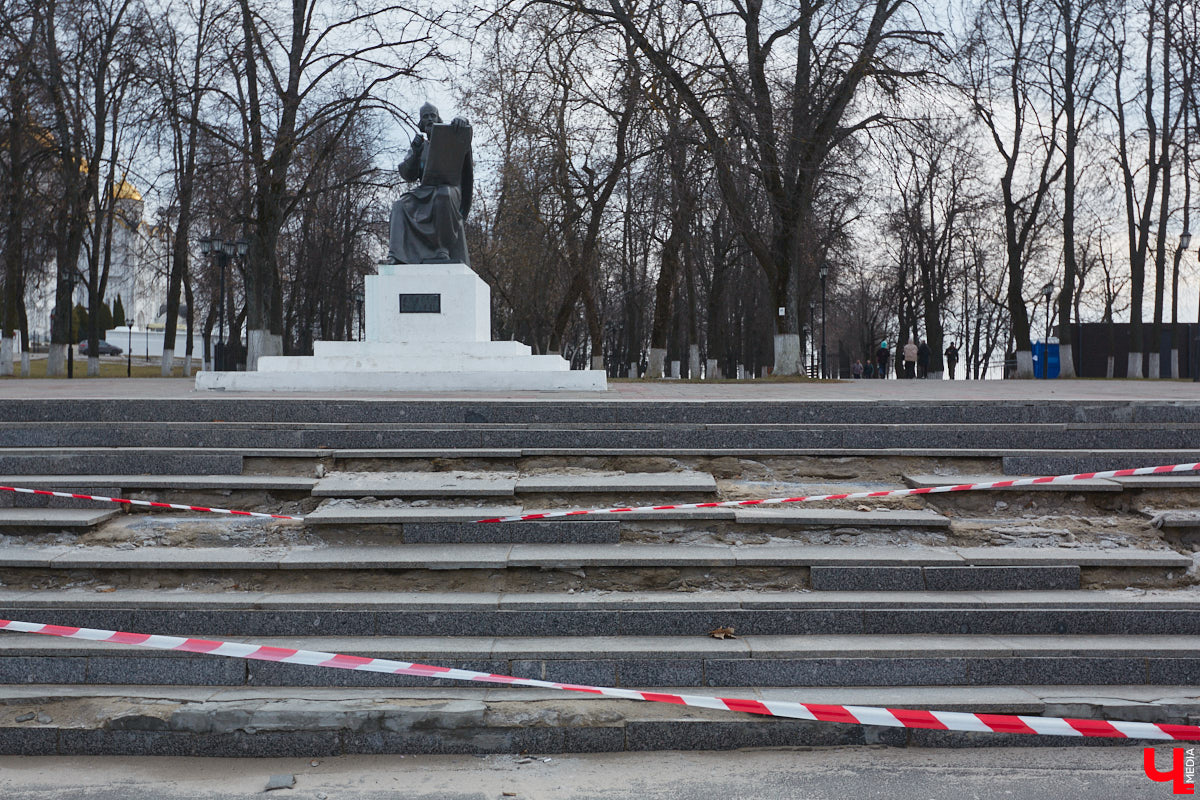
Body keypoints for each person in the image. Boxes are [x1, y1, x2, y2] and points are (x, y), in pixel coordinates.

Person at [388, 102, 475, 265]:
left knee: (444, 195)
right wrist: (415, 151)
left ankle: (442, 249)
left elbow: (465, 139)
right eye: (425, 117)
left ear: (438, 117)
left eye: (432, 115)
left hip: (449, 189)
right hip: (424, 191)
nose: (429, 119)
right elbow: (407, 174)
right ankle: (396, 255)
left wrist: (463, 120)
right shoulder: (421, 146)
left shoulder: (449, 139)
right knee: (399, 205)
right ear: (421, 123)